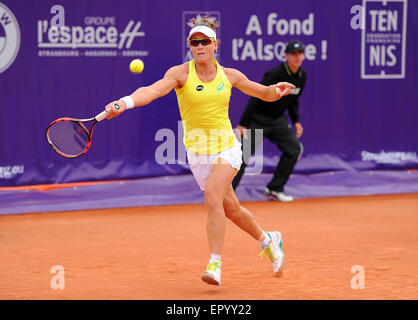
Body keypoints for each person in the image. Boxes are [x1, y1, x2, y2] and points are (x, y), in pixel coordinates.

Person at [103, 16, 295, 286]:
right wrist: (125, 102)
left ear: (215, 44)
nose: (200, 46)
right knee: (232, 209)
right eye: (195, 42)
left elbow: (263, 92)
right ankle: (269, 240)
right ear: (190, 46)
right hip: (197, 152)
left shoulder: (230, 75)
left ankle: (215, 264)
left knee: (214, 196)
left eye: (205, 41)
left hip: (227, 146)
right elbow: (152, 90)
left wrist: (278, 90)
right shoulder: (180, 73)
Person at [232, 40, 307, 202]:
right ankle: (227, 194)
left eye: (300, 53)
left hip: (278, 121)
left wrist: (296, 121)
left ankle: (275, 188)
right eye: (293, 54)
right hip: (258, 120)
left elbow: (294, 100)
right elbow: (255, 97)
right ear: (286, 56)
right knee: (241, 156)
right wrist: (243, 123)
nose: (297, 57)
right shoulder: (275, 74)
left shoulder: (302, 75)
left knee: (294, 149)